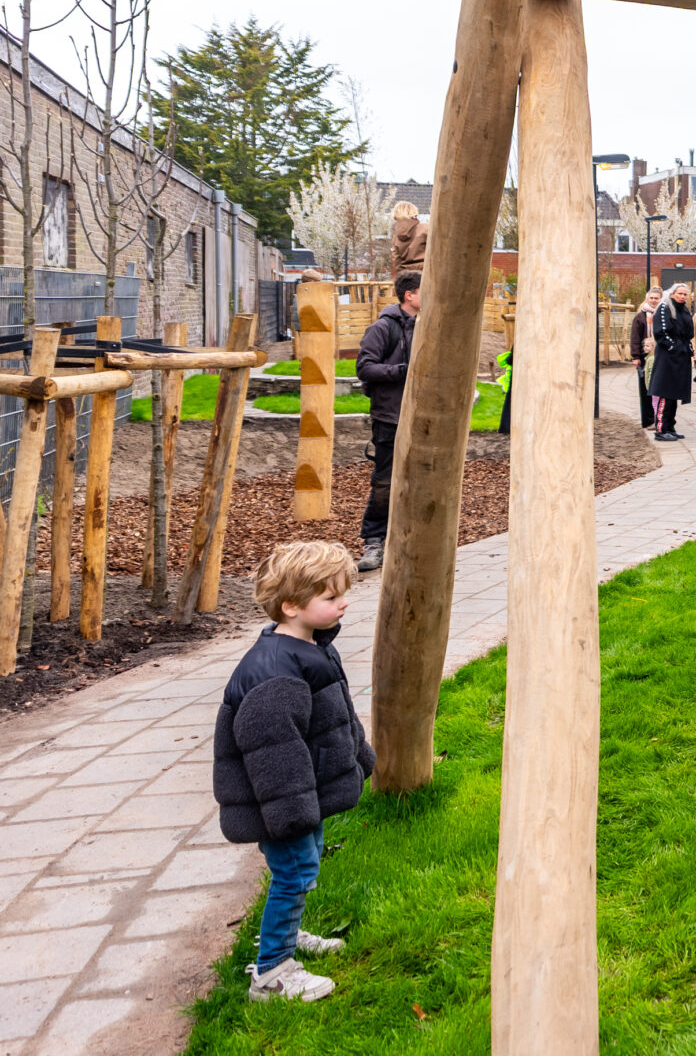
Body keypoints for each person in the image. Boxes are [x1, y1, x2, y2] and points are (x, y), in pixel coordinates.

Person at [213, 541, 374, 1003]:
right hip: (283, 802)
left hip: (302, 796)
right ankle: (272, 972)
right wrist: (294, 812)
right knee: (295, 871)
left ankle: (285, 932)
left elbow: (333, 717)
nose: (343, 602)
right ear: (291, 606)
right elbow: (275, 756)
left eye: (343, 592)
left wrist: (357, 758)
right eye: (331, 596)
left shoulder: (308, 646)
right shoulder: (276, 674)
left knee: (303, 865)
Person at [354, 269, 420, 571]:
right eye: (425, 290)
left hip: (422, 417)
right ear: (410, 295)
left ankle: (411, 539)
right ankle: (375, 542)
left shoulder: (429, 324)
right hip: (390, 418)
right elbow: (365, 368)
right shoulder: (383, 328)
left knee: (421, 481)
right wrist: (403, 370)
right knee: (384, 482)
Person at [647, 283, 694, 442]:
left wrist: (688, 349)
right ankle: (661, 428)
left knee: (674, 393)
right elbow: (660, 332)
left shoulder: (684, 310)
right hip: (668, 356)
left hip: (681, 356)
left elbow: (688, 333)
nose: (683, 297)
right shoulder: (664, 307)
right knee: (665, 392)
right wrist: (673, 347)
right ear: (673, 293)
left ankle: (670, 426)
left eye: (685, 294)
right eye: (680, 293)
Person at [629, 287, 661, 429]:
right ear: (647, 299)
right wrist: (636, 356)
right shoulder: (640, 317)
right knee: (646, 387)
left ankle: (660, 417)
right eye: (651, 298)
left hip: (660, 354)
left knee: (660, 388)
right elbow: (635, 338)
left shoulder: (663, 314)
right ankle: (648, 420)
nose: (654, 300)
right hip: (645, 355)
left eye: (656, 298)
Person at [390, 200, 427, 274]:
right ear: (413, 213)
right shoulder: (426, 229)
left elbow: (396, 261)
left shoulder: (396, 237)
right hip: (426, 274)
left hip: (407, 277)